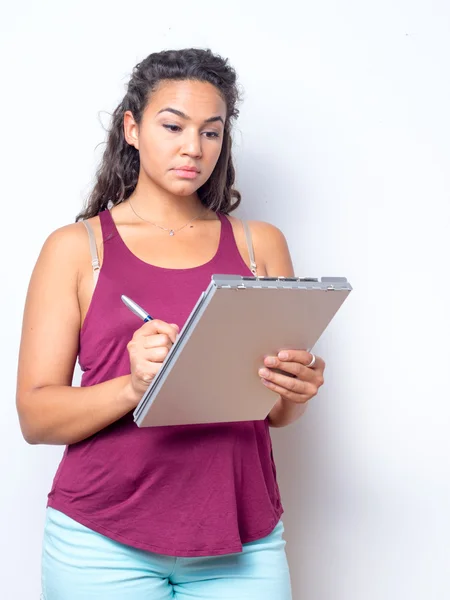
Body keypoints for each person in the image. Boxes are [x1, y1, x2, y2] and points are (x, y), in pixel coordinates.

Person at [16, 48, 325, 600]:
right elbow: (36, 417)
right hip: (100, 542)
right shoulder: (74, 249)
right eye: (173, 126)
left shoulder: (261, 246)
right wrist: (135, 386)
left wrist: (295, 391)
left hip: (242, 539)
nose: (193, 148)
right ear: (132, 128)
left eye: (212, 131)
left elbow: (276, 414)